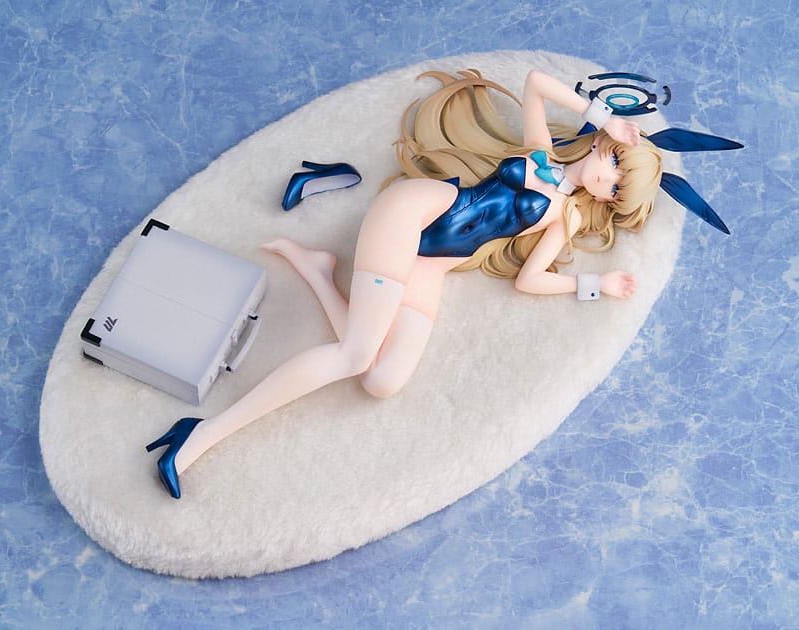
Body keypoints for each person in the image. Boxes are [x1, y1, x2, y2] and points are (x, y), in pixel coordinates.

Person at [145, 68, 663, 499]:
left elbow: (530, 280)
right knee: (354, 355)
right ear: (605, 144)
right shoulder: (541, 152)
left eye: (618, 190)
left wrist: (594, 283)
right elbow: (534, 83)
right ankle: (201, 435)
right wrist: (606, 117)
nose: (608, 179)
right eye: (615, 164)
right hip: (416, 213)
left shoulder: (566, 218)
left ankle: (321, 273)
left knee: (381, 380)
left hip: (431, 267)